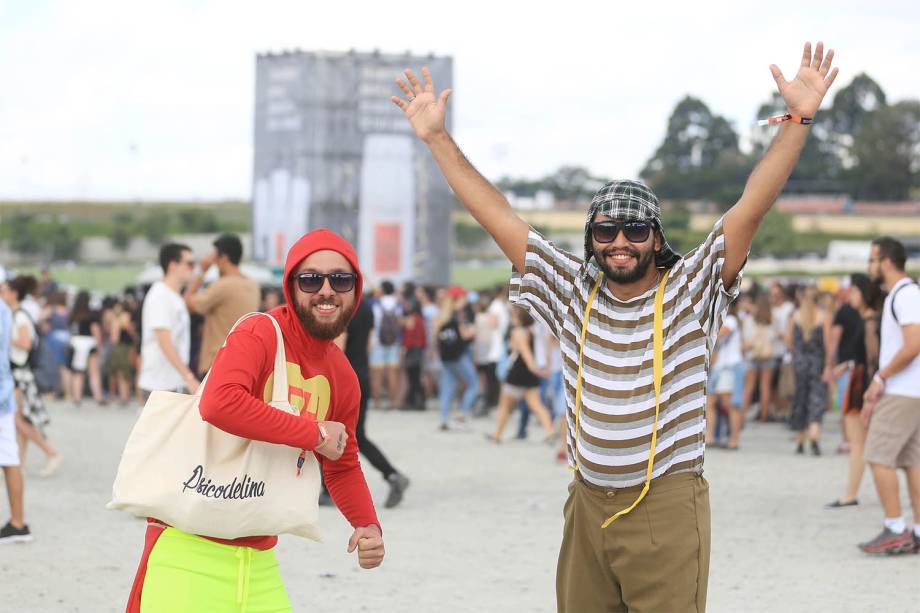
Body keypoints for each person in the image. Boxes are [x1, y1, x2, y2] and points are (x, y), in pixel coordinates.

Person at [393, 41, 838, 610]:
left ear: (657, 237)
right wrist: (435, 137)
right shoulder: (572, 290)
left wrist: (797, 121)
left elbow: (751, 206)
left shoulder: (690, 288)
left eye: (633, 229)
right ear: (591, 241)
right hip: (586, 502)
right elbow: (498, 214)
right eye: (605, 232)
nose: (620, 242)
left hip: (666, 502)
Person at [126, 229, 385, 611]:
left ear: (355, 290)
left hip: (260, 559)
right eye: (311, 279)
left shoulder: (342, 376)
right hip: (188, 551)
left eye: (341, 279)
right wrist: (312, 432)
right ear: (291, 285)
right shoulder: (260, 332)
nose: (326, 290)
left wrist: (367, 524)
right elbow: (219, 404)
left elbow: (342, 462)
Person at [858, 237, 920, 555]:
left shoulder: (905, 294)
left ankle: (895, 527)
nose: (868, 266)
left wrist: (881, 377)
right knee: (912, 462)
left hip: (901, 390)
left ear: (886, 262)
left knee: (878, 457)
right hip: (911, 391)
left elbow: (913, 344)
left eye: (871, 260)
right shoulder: (903, 294)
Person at [337, 297, 411, 508]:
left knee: (336, 434)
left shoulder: (342, 307)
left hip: (344, 379)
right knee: (354, 436)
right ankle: (392, 475)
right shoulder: (367, 308)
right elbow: (369, 343)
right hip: (361, 375)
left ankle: (392, 474)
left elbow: (338, 348)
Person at [827, 273, 882, 509]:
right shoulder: (869, 319)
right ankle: (852, 493)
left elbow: (873, 359)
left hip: (863, 384)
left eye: (854, 291)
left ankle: (850, 494)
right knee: (864, 444)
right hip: (862, 379)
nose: (850, 295)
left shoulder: (869, 321)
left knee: (860, 443)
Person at [1, 278, 62, 477]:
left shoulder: (19, 316)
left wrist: (6, 339)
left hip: (19, 374)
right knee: (21, 420)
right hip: (19, 373)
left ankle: (51, 452)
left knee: (18, 421)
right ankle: (19, 463)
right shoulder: (16, 314)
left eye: (4, 291)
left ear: (14, 294)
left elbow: (26, 343)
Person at [184, 234, 261, 378]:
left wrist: (202, 272)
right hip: (242, 361)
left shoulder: (223, 285)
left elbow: (188, 303)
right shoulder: (252, 284)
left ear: (224, 258)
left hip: (216, 362)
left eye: (214, 256)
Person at [486, 307, 555, 443]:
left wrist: (537, 370)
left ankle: (497, 434)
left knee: (505, 406)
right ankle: (549, 431)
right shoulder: (532, 332)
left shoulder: (518, 333)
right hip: (530, 377)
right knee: (536, 405)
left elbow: (525, 354)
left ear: (519, 318)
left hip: (517, 374)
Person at [138, 244, 199, 399]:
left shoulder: (174, 296)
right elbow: (164, 340)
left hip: (171, 381)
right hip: (160, 384)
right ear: (173, 266)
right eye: (189, 264)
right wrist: (188, 377)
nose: (193, 268)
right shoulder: (160, 295)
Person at [0, 292, 31, 543]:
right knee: (10, 457)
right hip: (5, 392)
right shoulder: (5, 309)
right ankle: (18, 522)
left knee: (10, 458)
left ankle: (18, 522)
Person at [787, 286, 832, 456]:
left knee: (801, 399)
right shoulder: (823, 316)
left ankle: (800, 438)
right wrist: (828, 365)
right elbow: (828, 345)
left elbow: (789, 342)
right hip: (817, 363)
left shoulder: (795, 316)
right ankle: (814, 436)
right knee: (817, 399)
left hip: (800, 364)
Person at [433, 289, 479, 431]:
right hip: (459, 355)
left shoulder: (441, 316)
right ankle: (463, 413)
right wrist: (473, 332)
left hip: (446, 356)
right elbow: (465, 336)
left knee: (448, 387)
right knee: (474, 385)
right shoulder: (457, 315)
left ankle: (444, 418)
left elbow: (436, 339)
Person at [706, 302, 745, 450]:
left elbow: (721, 332)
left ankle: (734, 439)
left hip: (729, 367)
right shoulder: (719, 319)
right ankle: (710, 437)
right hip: (718, 368)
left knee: (730, 405)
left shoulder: (731, 320)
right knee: (710, 404)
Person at [743, 294, 779, 422]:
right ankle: (764, 415)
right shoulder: (772, 319)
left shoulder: (749, 319)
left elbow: (747, 338)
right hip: (768, 355)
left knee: (749, 386)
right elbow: (774, 337)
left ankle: (743, 414)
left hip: (752, 354)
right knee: (765, 386)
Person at [369, 281, 403, 410]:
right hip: (394, 343)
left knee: (376, 374)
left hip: (377, 342)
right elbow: (399, 323)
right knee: (392, 373)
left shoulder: (376, 303)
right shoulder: (397, 304)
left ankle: (377, 402)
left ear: (382, 289)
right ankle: (392, 402)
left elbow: (373, 324)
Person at [68, 291, 105, 405]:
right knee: (94, 372)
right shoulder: (91, 315)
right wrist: (99, 346)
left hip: (76, 343)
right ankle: (98, 397)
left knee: (78, 372)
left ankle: (77, 397)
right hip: (89, 343)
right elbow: (95, 330)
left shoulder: (73, 315)